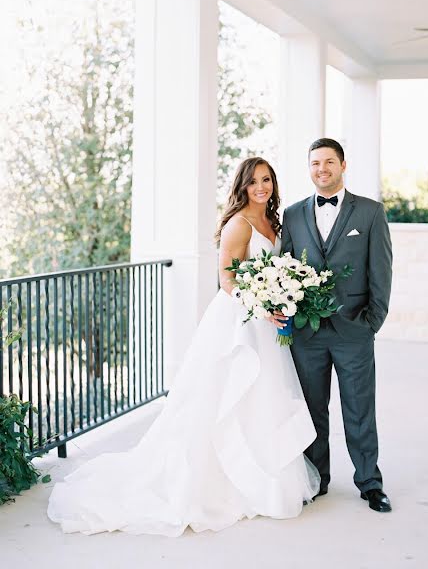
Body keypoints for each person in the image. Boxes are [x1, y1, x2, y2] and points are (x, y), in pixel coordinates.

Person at [47, 157, 320, 536]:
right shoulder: (238, 224)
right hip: (242, 322)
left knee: (264, 398)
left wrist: (281, 295)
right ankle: (219, 482)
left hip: (268, 327)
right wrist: (265, 303)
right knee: (226, 398)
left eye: (267, 180)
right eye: (254, 181)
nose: (262, 187)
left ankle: (265, 478)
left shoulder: (274, 222)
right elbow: (227, 279)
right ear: (242, 186)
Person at [280, 138, 393, 512]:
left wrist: (371, 322)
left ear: (343, 165)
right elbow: (283, 271)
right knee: (312, 409)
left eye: (329, 162)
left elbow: (381, 270)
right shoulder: (293, 215)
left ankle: (370, 483)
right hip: (306, 334)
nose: (321, 169)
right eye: (315, 163)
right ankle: (317, 480)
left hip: (353, 331)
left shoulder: (371, 213)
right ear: (308, 168)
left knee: (360, 409)